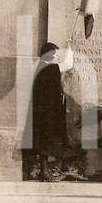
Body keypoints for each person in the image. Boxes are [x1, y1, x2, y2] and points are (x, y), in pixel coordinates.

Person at [24, 42, 74, 181]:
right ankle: (44, 171)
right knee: (44, 142)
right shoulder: (49, 68)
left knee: (42, 142)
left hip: (42, 111)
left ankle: (42, 170)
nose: (58, 58)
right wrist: (70, 50)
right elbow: (68, 64)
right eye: (56, 55)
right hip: (47, 113)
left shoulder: (40, 66)